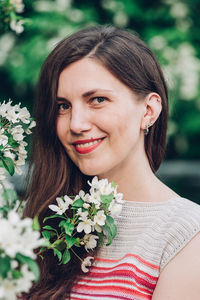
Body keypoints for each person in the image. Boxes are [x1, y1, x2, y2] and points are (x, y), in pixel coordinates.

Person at [24, 25, 200, 300]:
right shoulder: (37, 219)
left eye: (97, 100)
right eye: (63, 106)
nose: (76, 124)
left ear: (149, 110)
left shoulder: (186, 235)